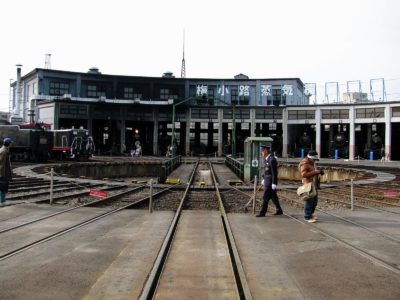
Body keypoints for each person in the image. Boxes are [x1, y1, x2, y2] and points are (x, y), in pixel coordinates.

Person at [256, 145, 283, 217]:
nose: (261, 153)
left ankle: (262, 213)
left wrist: (274, 183)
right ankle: (279, 210)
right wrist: (264, 179)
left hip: (270, 183)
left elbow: (274, 172)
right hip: (267, 181)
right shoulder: (267, 159)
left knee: (265, 198)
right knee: (273, 197)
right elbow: (267, 171)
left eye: (262, 151)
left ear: (265, 151)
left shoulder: (272, 159)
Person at [298, 150, 323, 223]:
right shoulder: (305, 163)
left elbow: (313, 171)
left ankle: (310, 214)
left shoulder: (311, 163)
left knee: (315, 201)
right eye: (314, 159)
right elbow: (303, 175)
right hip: (308, 184)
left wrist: (318, 172)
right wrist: (315, 172)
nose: (315, 161)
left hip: (313, 183)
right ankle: (307, 217)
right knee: (309, 201)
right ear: (310, 158)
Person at [0, 138, 13, 207]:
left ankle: (3, 201)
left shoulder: (5, 150)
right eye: (11, 143)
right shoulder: (4, 151)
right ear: (8, 144)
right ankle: (2, 202)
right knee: (3, 187)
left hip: (4, 172)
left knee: (3, 187)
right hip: (3, 173)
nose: (11, 144)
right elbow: (1, 163)